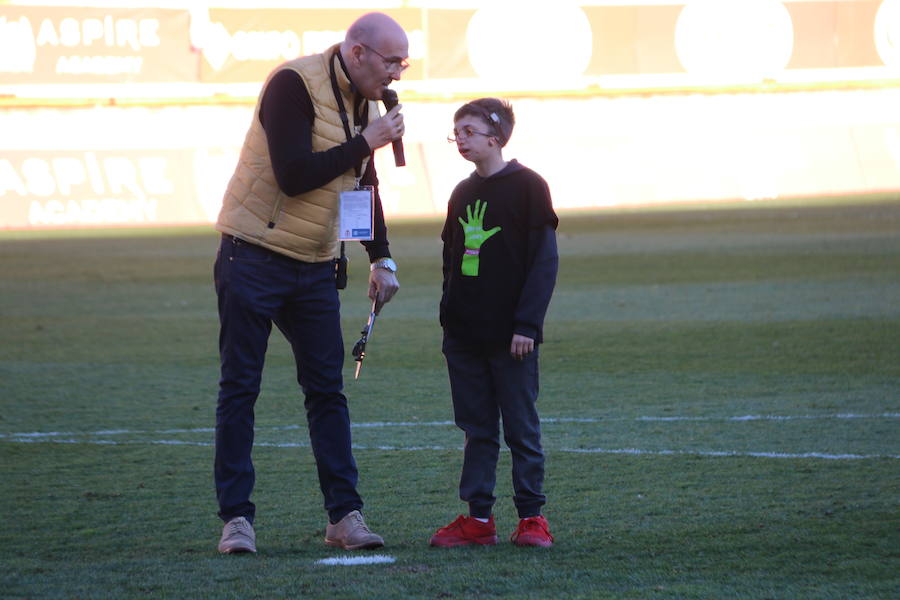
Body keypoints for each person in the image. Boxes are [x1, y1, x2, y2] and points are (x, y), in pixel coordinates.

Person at [213, 12, 407, 554]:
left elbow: (360, 185)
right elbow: (295, 175)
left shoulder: (364, 103)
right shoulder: (291, 85)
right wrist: (367, 140)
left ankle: (344, 516)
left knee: (327, 391)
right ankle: (236, 521)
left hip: (315, 264)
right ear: (359, 51)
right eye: (392, 62)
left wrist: (381, 258)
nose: (398, 74)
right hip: (252, 256)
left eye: (404, 64)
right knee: (240, 389)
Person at [430, 99, 559, 548]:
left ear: (495, 135)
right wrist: (450, 322)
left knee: (521, 427)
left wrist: (527, 324)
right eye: (456, 132)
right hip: (465, 337)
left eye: (468, 130)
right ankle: (479, 519)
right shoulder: (461, 194)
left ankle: (532, 517)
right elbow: (455, 263)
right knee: (477, 430)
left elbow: (544, 263)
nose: (460, 139)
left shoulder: (528, 187)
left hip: (512, 337)